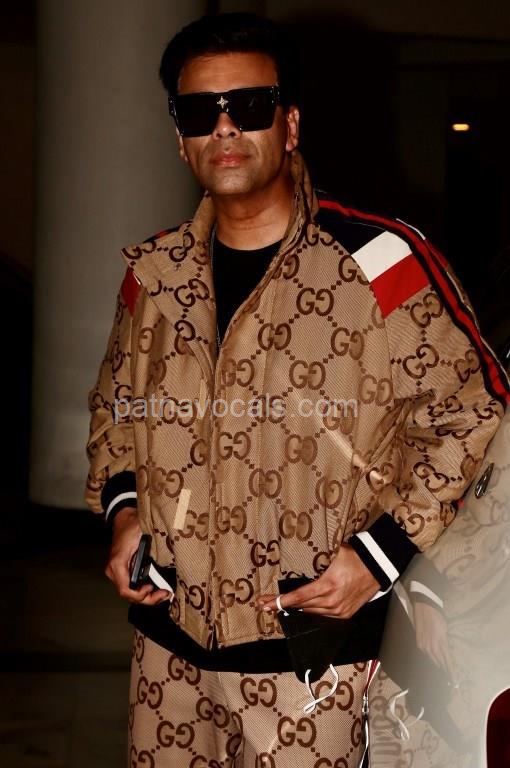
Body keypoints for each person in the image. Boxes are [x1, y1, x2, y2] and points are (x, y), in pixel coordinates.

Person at [84, 12, 508, 768]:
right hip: (167, 665)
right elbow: (118, 411)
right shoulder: (153, 277)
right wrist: (124, 513)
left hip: (314, 669)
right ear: (179, 136)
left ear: (290, 125)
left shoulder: (379, 263)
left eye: (249, 106)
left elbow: (473, 412)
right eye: (199, 112)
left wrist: (380, 557)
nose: (224, 128)